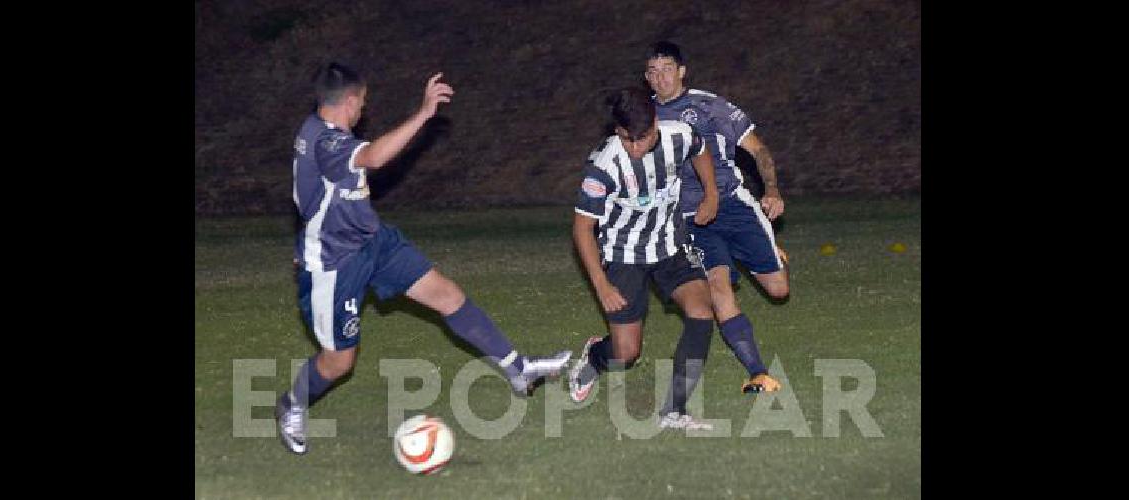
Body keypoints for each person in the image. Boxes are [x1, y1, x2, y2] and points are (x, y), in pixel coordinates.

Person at [276, 62, 571, 455]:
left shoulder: (327, 135)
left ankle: (519, 370)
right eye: (362, 102)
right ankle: (291, 405)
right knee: (339, 362)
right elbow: (376, 157)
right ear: (348, 101)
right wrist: (424, 113)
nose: (364, 110)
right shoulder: (324, 142)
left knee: (448, 295)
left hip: (373, 241)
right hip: (335, 263)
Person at [566, 86, 721, 430]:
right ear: (616, 131)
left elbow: (701, 149)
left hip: (669, 246)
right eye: (627, 139)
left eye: (643, 138)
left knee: (701, 311)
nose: (635, 147)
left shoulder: (678, 135)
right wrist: (601, 284)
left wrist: (711, 193)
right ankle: (595, 355)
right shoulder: (603, 165)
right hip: (623, 254)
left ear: (656, 122)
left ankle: (674, 411)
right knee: (626, 353)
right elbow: (582, 229)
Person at [644, 41, 790, 393]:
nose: (660, 78)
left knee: (779, 290)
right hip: (690, 218)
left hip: (733, 205)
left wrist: (771, 189)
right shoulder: (643, 116)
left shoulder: (709, 106)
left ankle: (766, 251)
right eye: (653, 71)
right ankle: (758, 372)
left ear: (681, 71)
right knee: (718, 288)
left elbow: (758, 149)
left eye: (667, 69)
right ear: (646, 78)